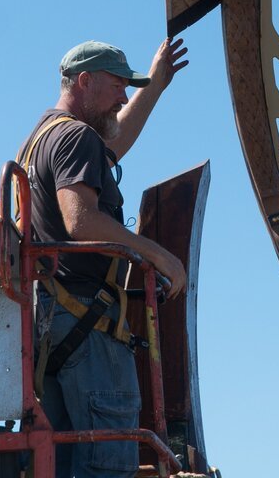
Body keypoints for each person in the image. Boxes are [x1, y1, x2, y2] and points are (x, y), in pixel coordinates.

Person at [19, 38, 189, 478]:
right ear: (85, 81)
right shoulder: (76, 137)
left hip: (52, 323)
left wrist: (158, 85)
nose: (123, 96)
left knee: (59, 462)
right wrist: (159, 257)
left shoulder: (45, 136)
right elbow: (81, 221)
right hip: (87, 327)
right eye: (118, 85)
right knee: (108, 463)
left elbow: (114, 142)